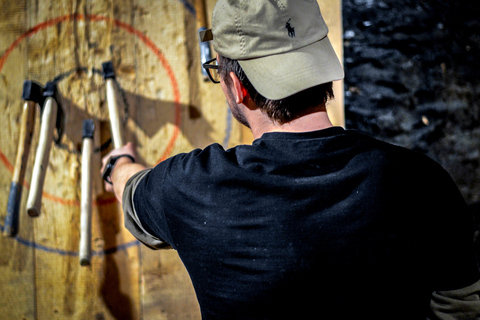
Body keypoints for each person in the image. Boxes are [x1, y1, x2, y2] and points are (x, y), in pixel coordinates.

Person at [101, 0, 480, 319]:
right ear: (320, 65)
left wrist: (116, 164)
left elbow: (131, 189)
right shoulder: (422, 181)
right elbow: (460, 303)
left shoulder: (189, 188)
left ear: (236, 86)